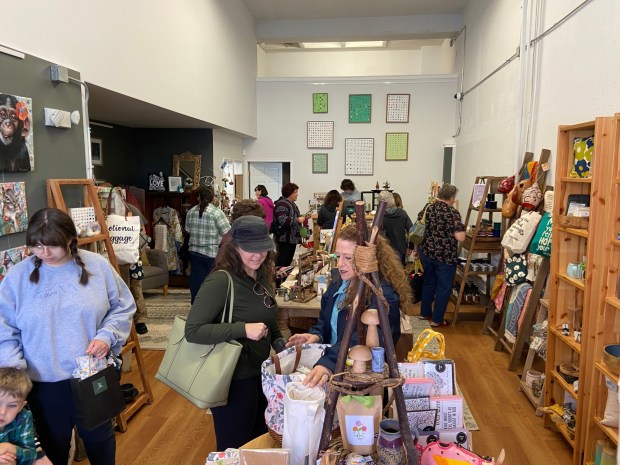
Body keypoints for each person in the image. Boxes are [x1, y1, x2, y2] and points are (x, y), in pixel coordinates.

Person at [0, 208, 136, 465]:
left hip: (92, 376)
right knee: (53, 448)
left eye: (52, 246)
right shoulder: (17, 277)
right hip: (43, 383)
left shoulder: (97, 266)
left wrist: (107, 336)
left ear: (70, 240)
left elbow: (124, 306)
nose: (44, 253)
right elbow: (4, 329)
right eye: (36, 246)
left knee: (101, 444)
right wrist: (14, 374)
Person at [185, 216, 286, 450]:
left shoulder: (261, 276)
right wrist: (242, 329)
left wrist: (280, 341)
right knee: (233, 449)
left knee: (258, 442)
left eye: (262, 248)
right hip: (233, 379)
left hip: (261, 375)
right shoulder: (221, 281)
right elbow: (193, 330)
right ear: (234, 246)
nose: (257, 255)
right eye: (249, 249)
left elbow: (267, 316)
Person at [286, 223, 412, 388]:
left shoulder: (382, 294)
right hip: (334, 367)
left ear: (367, 257)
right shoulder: (340, 283)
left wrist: (329, 361)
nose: (340, 264)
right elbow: (325, 320)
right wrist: (316, 336)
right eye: (338, 256)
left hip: (359, 376)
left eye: (348, 258)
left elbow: (368, 337)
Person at [417, 184, 465, 327]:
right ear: (451, 197)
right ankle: (437, 320)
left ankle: (424, 314)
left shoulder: (428, 208)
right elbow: (460, 237)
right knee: (444, 288)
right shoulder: (452, 213)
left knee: (429, 283)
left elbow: (419, 226)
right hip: (445, 256)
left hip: (427, 253)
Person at [185, 185, 231, 303]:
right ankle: (209, 304)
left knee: (196, 278)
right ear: (211, 197)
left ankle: (196, 303)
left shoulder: (190, 212)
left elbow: (188, 230)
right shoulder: (216, 212)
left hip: (194, 251)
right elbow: (227, 232)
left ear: (198, 197)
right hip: (211, 253)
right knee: (211, 281)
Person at [0, 367, 37, 464]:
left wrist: (10, 448)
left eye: (12, 405)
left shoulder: (24, 417)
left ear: (21, 407)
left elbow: (31, 456)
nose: (3, 412)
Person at [272, 183, 306, 267]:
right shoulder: (282, 204)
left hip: (291, 239)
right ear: (289, 193)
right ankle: (279, 280)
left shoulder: (292, 204)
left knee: (287, 263)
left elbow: (292, 218)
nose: (297, 194)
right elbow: (282, 220)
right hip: (284, 239)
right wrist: (298, 219)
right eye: (295, 192)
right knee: (282, 263)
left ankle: (284, 279)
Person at [378, 190, 413, 265]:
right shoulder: (402, 213)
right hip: (401, 249)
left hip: (385, 249)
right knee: (400, 272)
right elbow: (412, 230)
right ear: (392, 200)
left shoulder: (380, 216)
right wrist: (411, 247)